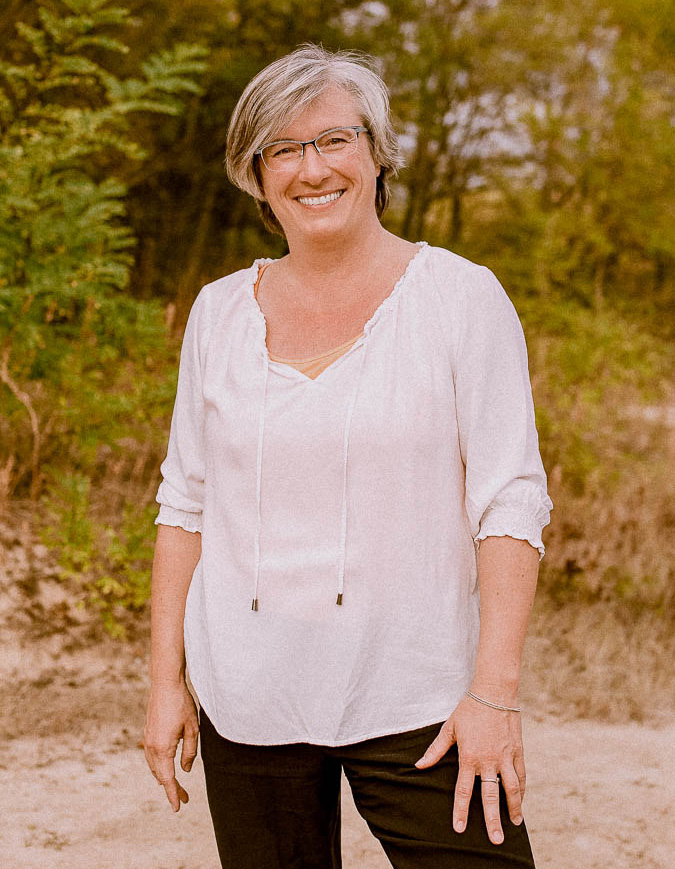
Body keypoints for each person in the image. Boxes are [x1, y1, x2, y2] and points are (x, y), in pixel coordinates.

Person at [143, 44, 553, 869]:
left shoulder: (460, 298)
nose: (311, 168)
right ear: (255, 175)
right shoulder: (219, 313)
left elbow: (509, 501)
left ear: (375, 151)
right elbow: (184, 506)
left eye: (333, 139)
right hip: (248, 694)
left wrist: (493, 693)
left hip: (422, 695)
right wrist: (164, 682)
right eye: (283, 149)